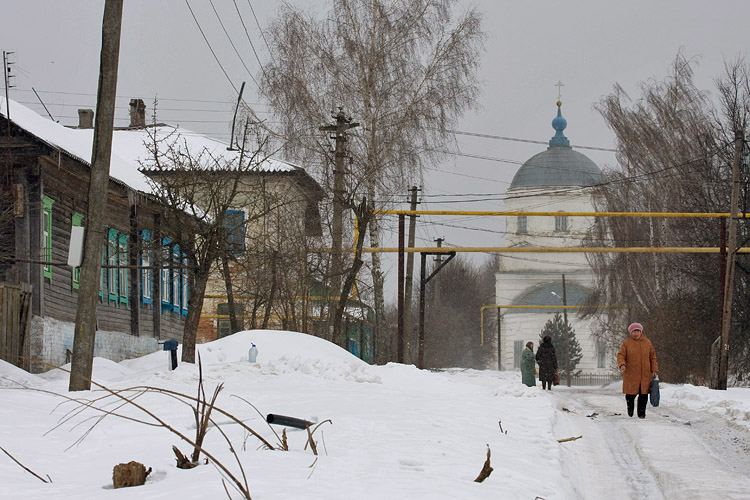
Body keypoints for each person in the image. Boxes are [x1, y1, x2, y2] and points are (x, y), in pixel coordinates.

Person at [617, 322, 658, 419]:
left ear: (641, 332)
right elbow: (621, 355)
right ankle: (630, 408)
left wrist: (654, 369)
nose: (636, 333)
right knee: (630, 395)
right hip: (631, 373)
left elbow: (652, 357)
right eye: (634, 331)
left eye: (638, 331)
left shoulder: (647, 342)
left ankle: (641, 414)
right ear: (631, 332)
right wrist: (622, 364)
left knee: (643, 395)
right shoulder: (627, 343)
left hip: (645, 374)